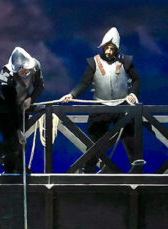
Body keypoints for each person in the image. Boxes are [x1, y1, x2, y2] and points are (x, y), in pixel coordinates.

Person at [59, 27, 145, 173]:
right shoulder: (94, 62)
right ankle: (88, 169)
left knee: (130, 135)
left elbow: (136, 79)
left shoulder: (125, 61)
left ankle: (136, 168)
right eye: (106, 47)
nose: (108, 51)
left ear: (116, 48)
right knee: (94, 140)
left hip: (122, 106)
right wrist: (72, 94)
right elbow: (84, 83)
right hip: (100, 106)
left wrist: (133, 95)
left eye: (112, 48)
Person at [0, 46, 43, 174]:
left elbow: (39, 86)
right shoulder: (5, 74)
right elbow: (10, 104)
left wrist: (30, 99)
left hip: (22, 105)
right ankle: (10, 170)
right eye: (21, 70)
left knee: (19, 142)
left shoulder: (36, 65)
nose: (25, 72)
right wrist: (18, 130)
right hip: (3, 108)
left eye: (26, 69)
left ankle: (19, 170)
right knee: (11, 139)